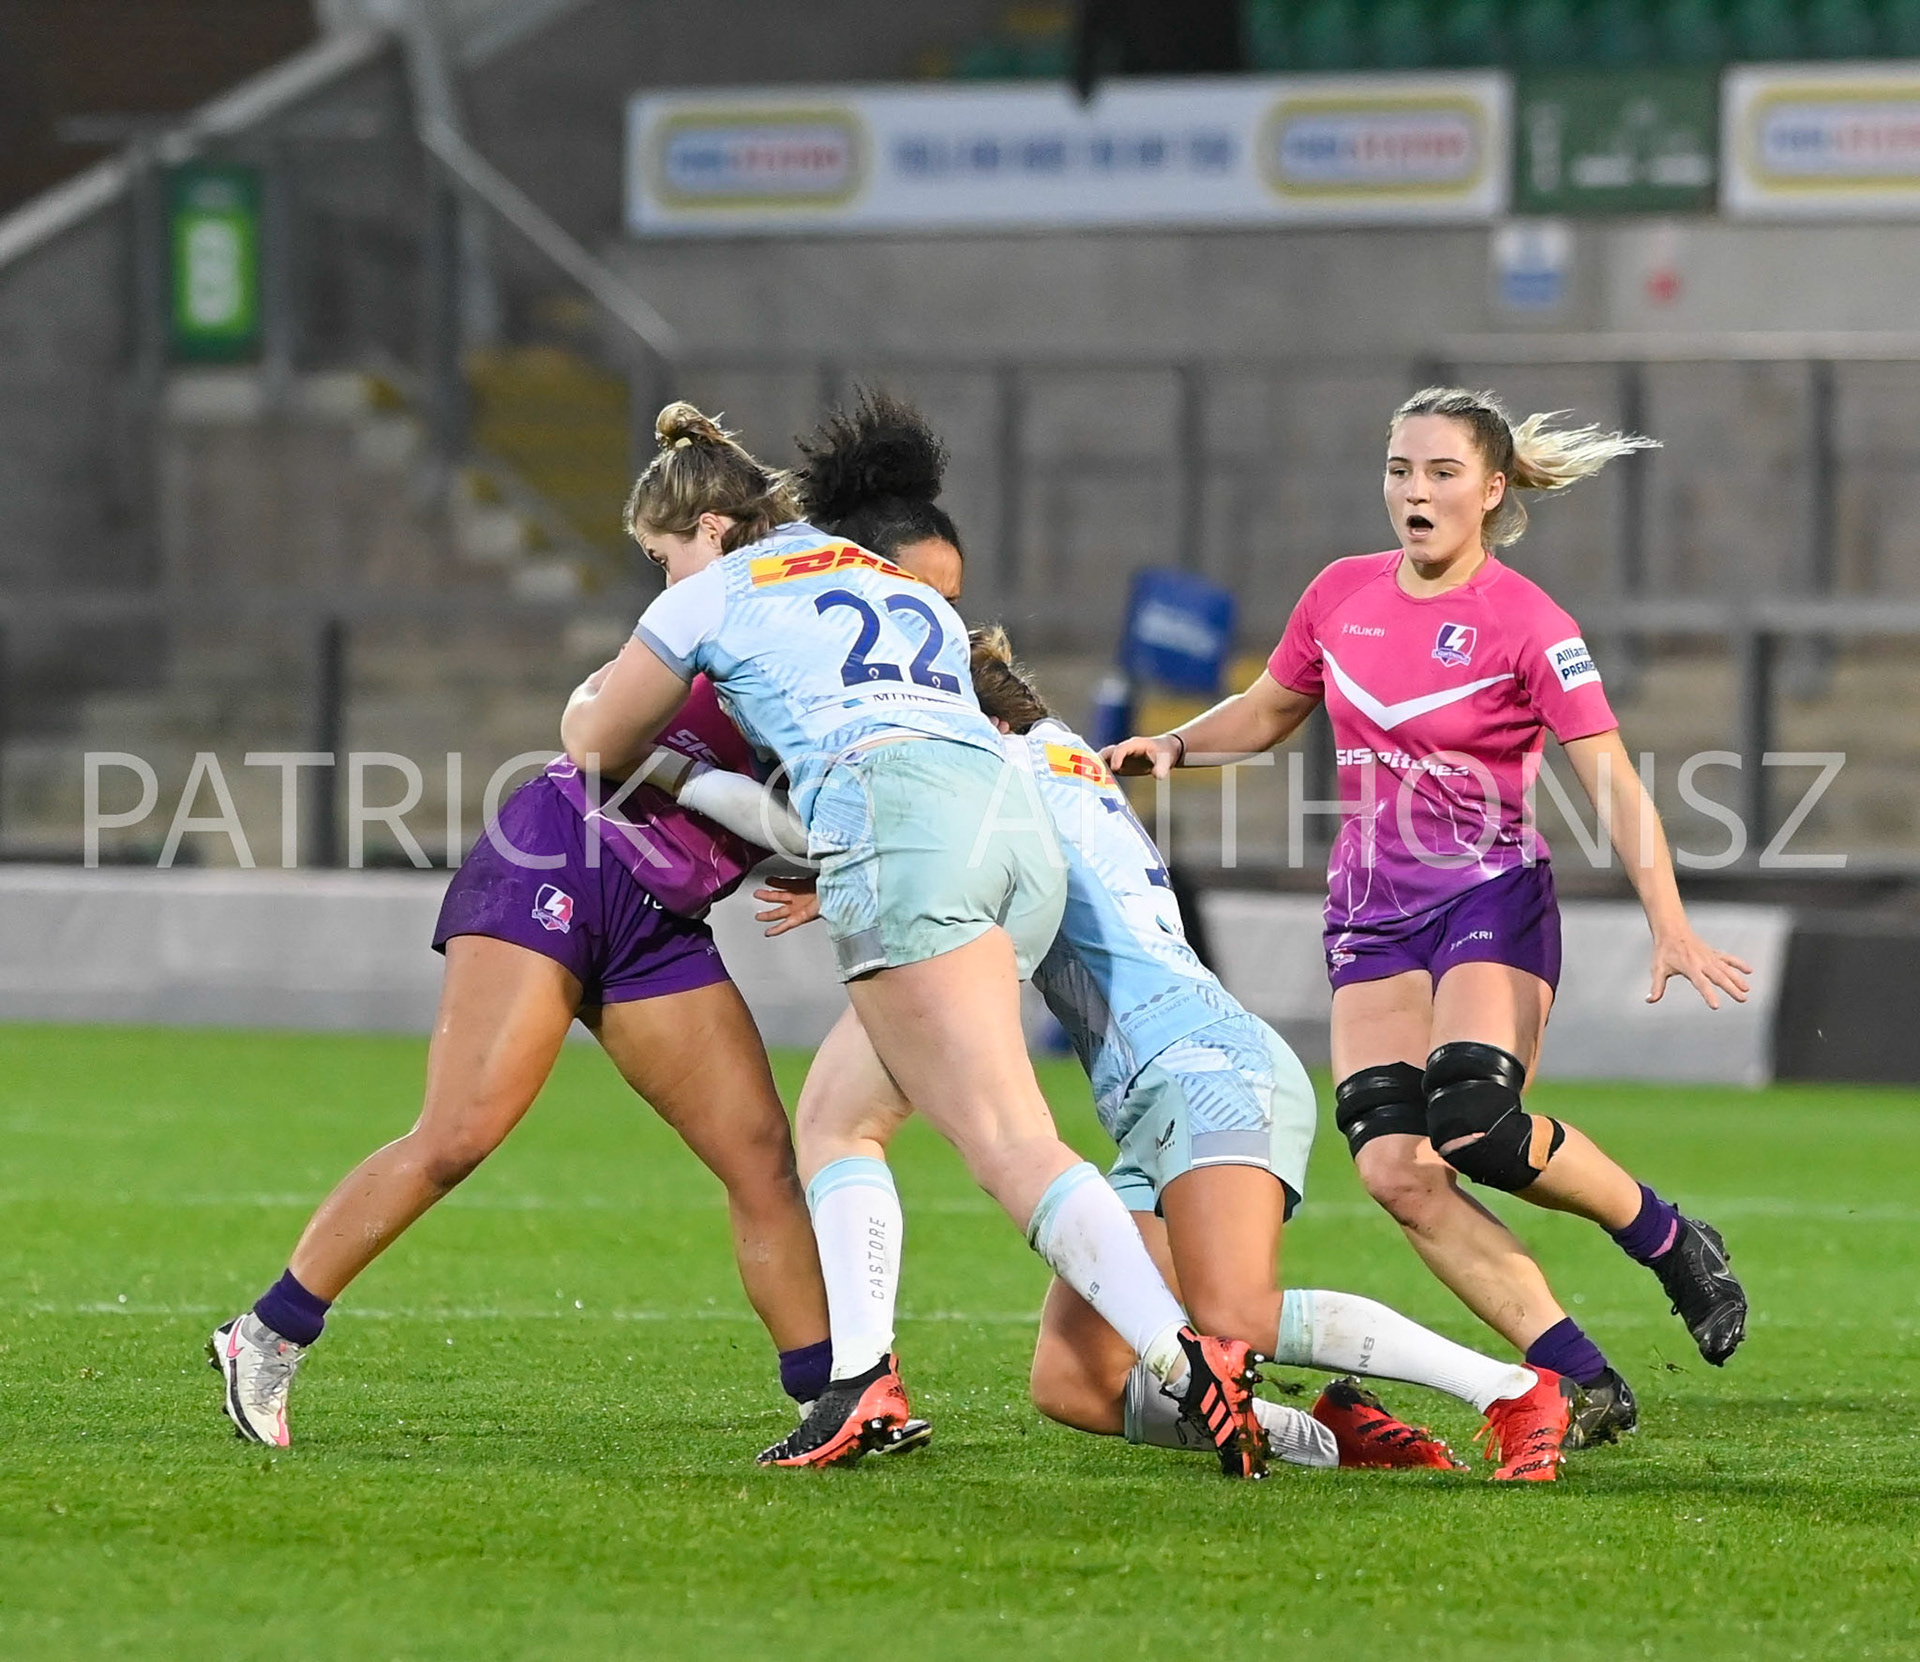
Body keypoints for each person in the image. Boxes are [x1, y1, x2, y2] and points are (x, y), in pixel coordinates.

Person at [561, 401, 1271, 1477]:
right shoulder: (899, 587)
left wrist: (648, 746)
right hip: (1009, 832)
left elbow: (599, 739)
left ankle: (1183, 1358)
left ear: (706, 530)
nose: (665, 577)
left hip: (903, 833)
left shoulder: (715, 590)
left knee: (1009, 1141)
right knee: (838, 1121)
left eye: (661, 557)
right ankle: (863, 1384)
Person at [748, 628, 1578, 1482]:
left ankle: (1512, 1390)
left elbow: (972, 901)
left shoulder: (1011, 780)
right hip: (1159, 1093)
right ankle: (1333, 1438)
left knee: (1235, 1312)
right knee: (1074, 1382)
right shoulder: (1060, 762)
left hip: (1206, 1071)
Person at [1103, 386, 1752, 1447]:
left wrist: (1669, 923)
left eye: (1442, 472)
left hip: (1489, 896)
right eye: (1401, 469)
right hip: (1372, 915)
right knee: (1396, 1170)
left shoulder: (1532, 623)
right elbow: (1269, 710)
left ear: (1492, 491)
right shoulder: (1339, 595)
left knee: (1474, 1124)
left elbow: (1613, 787)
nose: (1415, 490)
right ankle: (1581, 1379)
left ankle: (1669, 1237)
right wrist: (1178, 748)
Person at [208, 512, 836, 1454]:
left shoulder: (879, 671)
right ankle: (266, 1334)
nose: (930, 607)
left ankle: (832, 1402)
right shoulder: (742, 612)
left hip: (662, 916)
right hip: (561, 855)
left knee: (760, 1159)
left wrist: (831, 862)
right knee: (458, 1135)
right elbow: (599, 727)